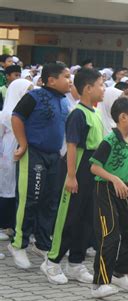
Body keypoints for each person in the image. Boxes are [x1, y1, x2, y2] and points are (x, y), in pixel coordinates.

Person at [42, 68, 104, 284]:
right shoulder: (78, 114)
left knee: (86, 220)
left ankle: (76, 263)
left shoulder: (94, 113)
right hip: (76, 170)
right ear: (88, 88)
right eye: (100, 85)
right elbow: (72, 145)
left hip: (91, 173)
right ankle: (52, 262)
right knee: (68, 218)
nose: (103, 89)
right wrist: (71, 176)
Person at [8, 63, 71, 269]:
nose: (70, 81)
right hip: (33, 154)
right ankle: (18, 244)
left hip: (54, 157)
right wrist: (23, 143)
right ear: (51, 80)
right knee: (29, 200)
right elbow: (16, 117)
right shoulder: (34, 96)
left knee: (49, 202)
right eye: (66, 77)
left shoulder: (63, 101)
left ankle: (42, 243)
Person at [89, 97, 128, 297]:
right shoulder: (110, 140)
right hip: (104, 190)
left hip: (123, 191)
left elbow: (126, 174)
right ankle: (99, 284)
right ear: (123, 117)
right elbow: (94, 166)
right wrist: (114, 179)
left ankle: (119, 272)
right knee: (110, 235)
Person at [0, 79, 34, 242]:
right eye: (27, 91)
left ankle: (13, 225)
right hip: (7, 155)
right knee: (6, 189)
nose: (29, 95)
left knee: (18, 190)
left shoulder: (28, 112)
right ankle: (3, 225)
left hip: (23, 152)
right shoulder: (5, 114)